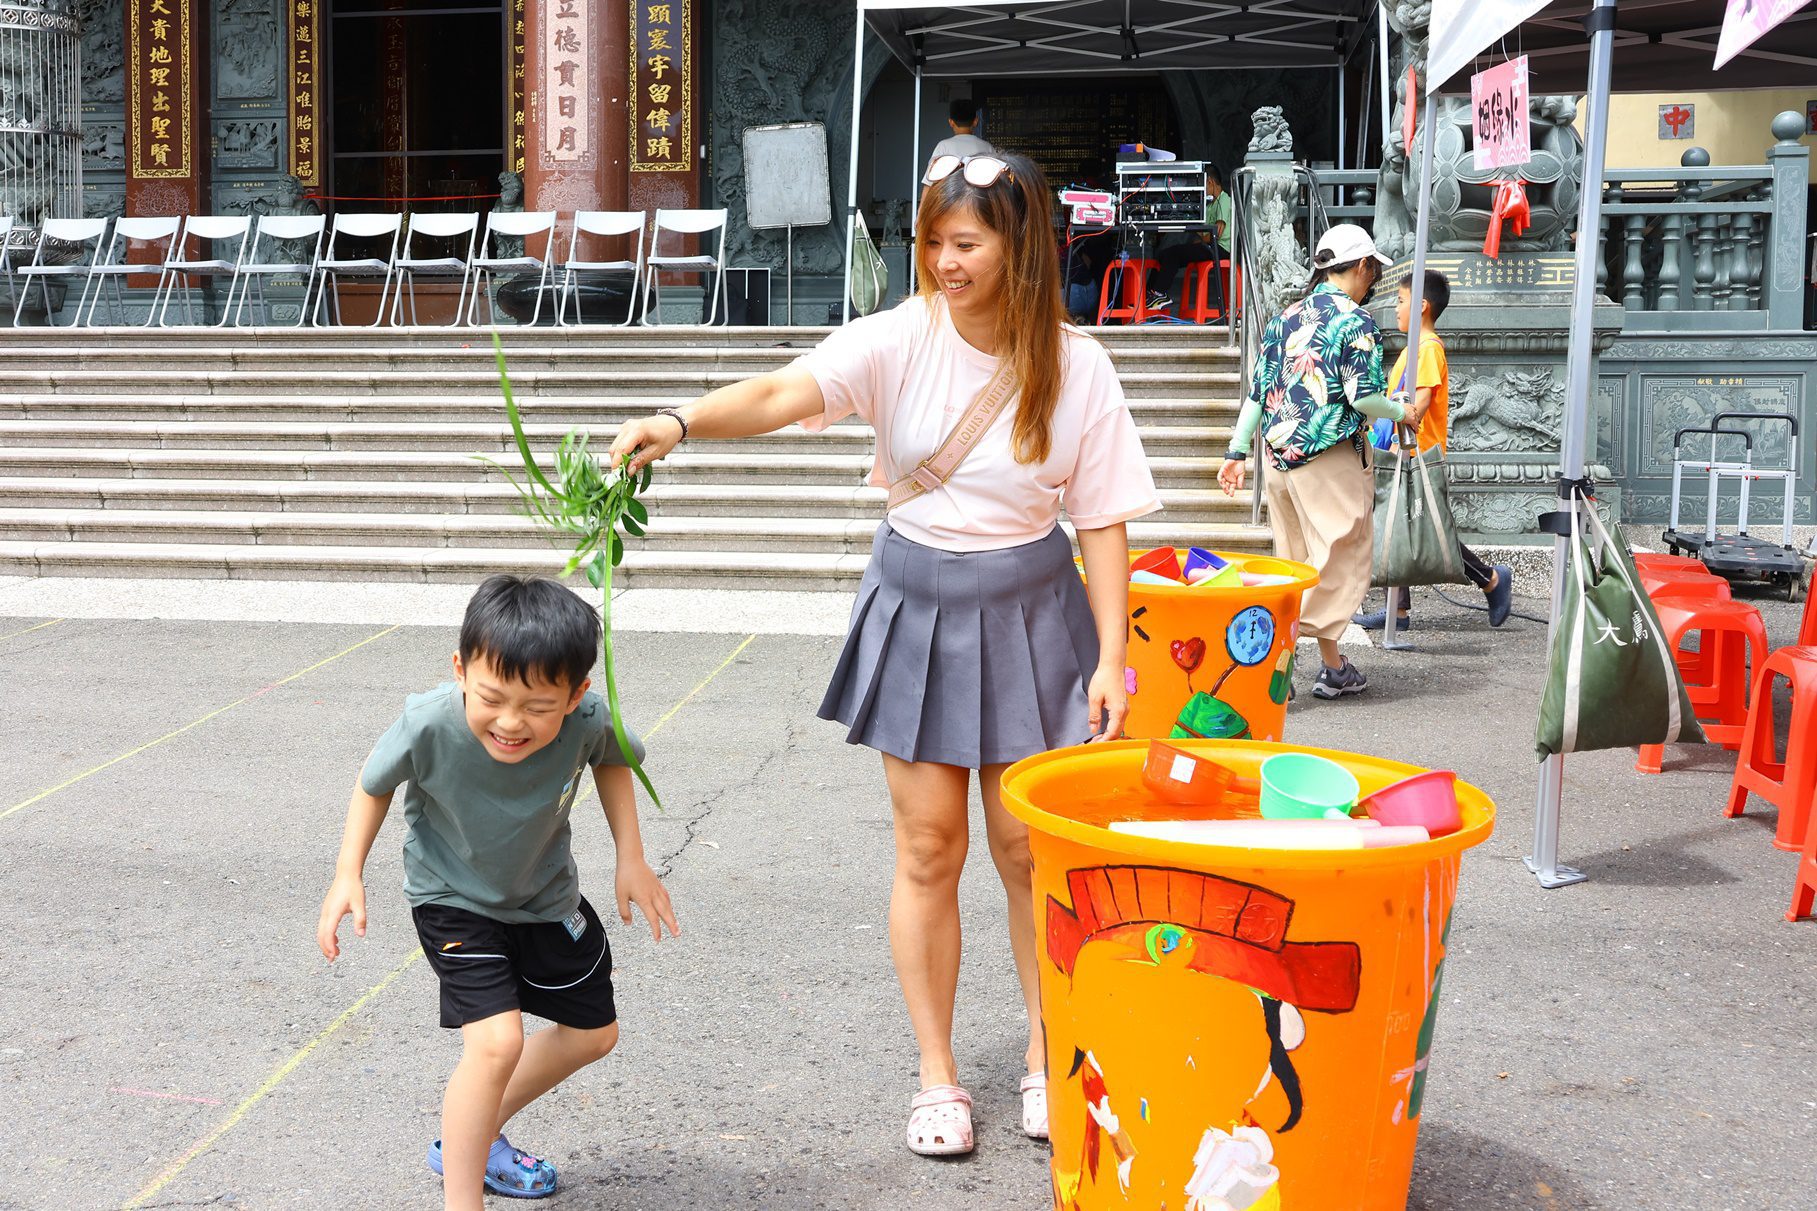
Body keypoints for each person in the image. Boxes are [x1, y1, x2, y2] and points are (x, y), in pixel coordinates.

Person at [609, 150, 1160, 1158]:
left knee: (1029, 850)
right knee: (928, 846)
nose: (943, 262)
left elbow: (1105, 522)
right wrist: (678, 421)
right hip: (919, 601)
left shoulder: (1075, 363)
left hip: (1036, 608)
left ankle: (1049, 1051)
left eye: (964, 244)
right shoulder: (897, 338)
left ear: (1018, 246)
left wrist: (1109, 658)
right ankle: (936, 1071)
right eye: (933, 243)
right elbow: (781, 392)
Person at [316, 575, 680, 1209]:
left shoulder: (588, 719)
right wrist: (348, 873)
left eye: (538, 706)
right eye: (492, 698)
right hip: (452, 899)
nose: (511, 722)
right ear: (461, 669)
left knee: (594, 1034)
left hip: (546, 899)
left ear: (575, 695)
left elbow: (614, 757)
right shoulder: (427, 723)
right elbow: (373, 785)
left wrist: (632, 858)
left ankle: (468, 1131)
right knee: (497, 1043)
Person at [1216, 223, 1411, 699]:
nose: (1373, 283)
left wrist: (1235, 452)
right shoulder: (1355, 322)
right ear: (1362, 266)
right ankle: (1260, 651)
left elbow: (1258, 394)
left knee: (1298, 563)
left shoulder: (1286, 318)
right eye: (1373, 272)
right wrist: (1402, 411)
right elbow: (1364, 398)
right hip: (1328, 459)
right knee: (1339, 561)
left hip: (1279, 460)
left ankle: (1332, 667)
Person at [1354, 270, 1515, 630]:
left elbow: (1419, 403)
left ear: (1422, 307)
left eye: (1400, 300)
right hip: (1407, 451)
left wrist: (1398, 440)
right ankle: (1399, 611)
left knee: (1426, 530)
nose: (1395, 308)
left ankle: (1491, 579)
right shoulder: (1416, 348)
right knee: (1402, 526)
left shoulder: (1427, 349)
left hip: (1417, 454)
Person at [1146, 163, 1232, 312]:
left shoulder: (1224, 200)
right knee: (1163, 255)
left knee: (1173, 254)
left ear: (1209, 181)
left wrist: (1195, 229)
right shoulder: (1211, 204)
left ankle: (1159, 293)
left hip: (1221, 249)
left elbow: (1215, 234)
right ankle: (1149, 295)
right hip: (1211, 247)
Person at [920, 98, 995, 184]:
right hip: (980, 197)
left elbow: (929, 182)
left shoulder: (943, 146)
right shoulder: (987, 147)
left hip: (950, 197)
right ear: (976, 121)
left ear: (951, 122)